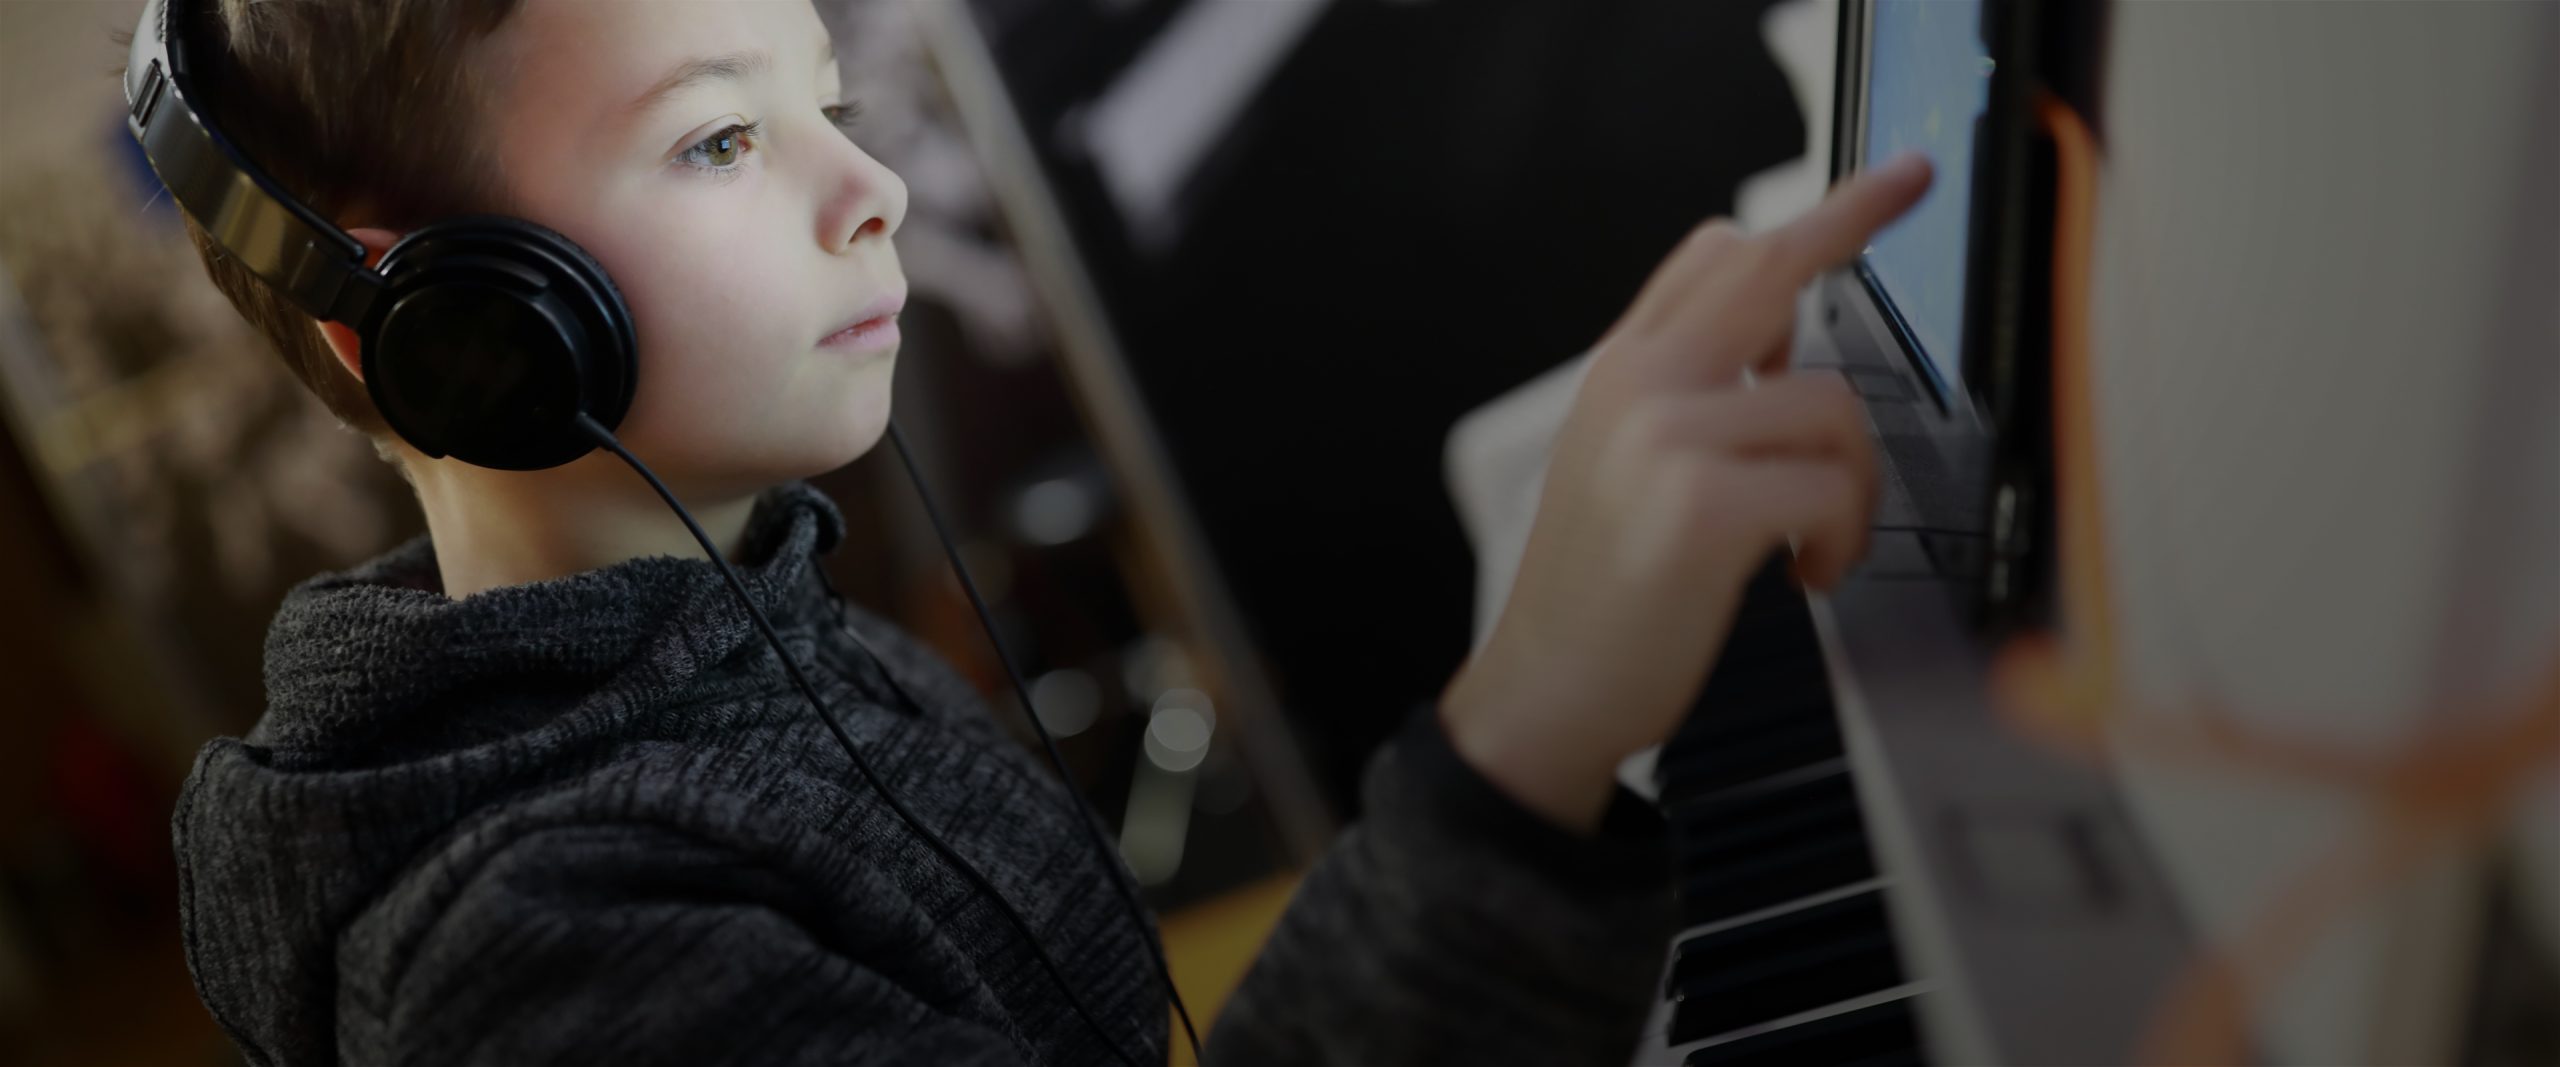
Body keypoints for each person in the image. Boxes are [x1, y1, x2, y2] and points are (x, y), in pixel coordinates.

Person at [163, 0, 1932, 1063]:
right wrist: (1524, 732)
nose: (875, 193)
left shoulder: (756, 637)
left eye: (825, 107)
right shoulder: (548, 967)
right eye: (718, 141)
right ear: (444, 325)